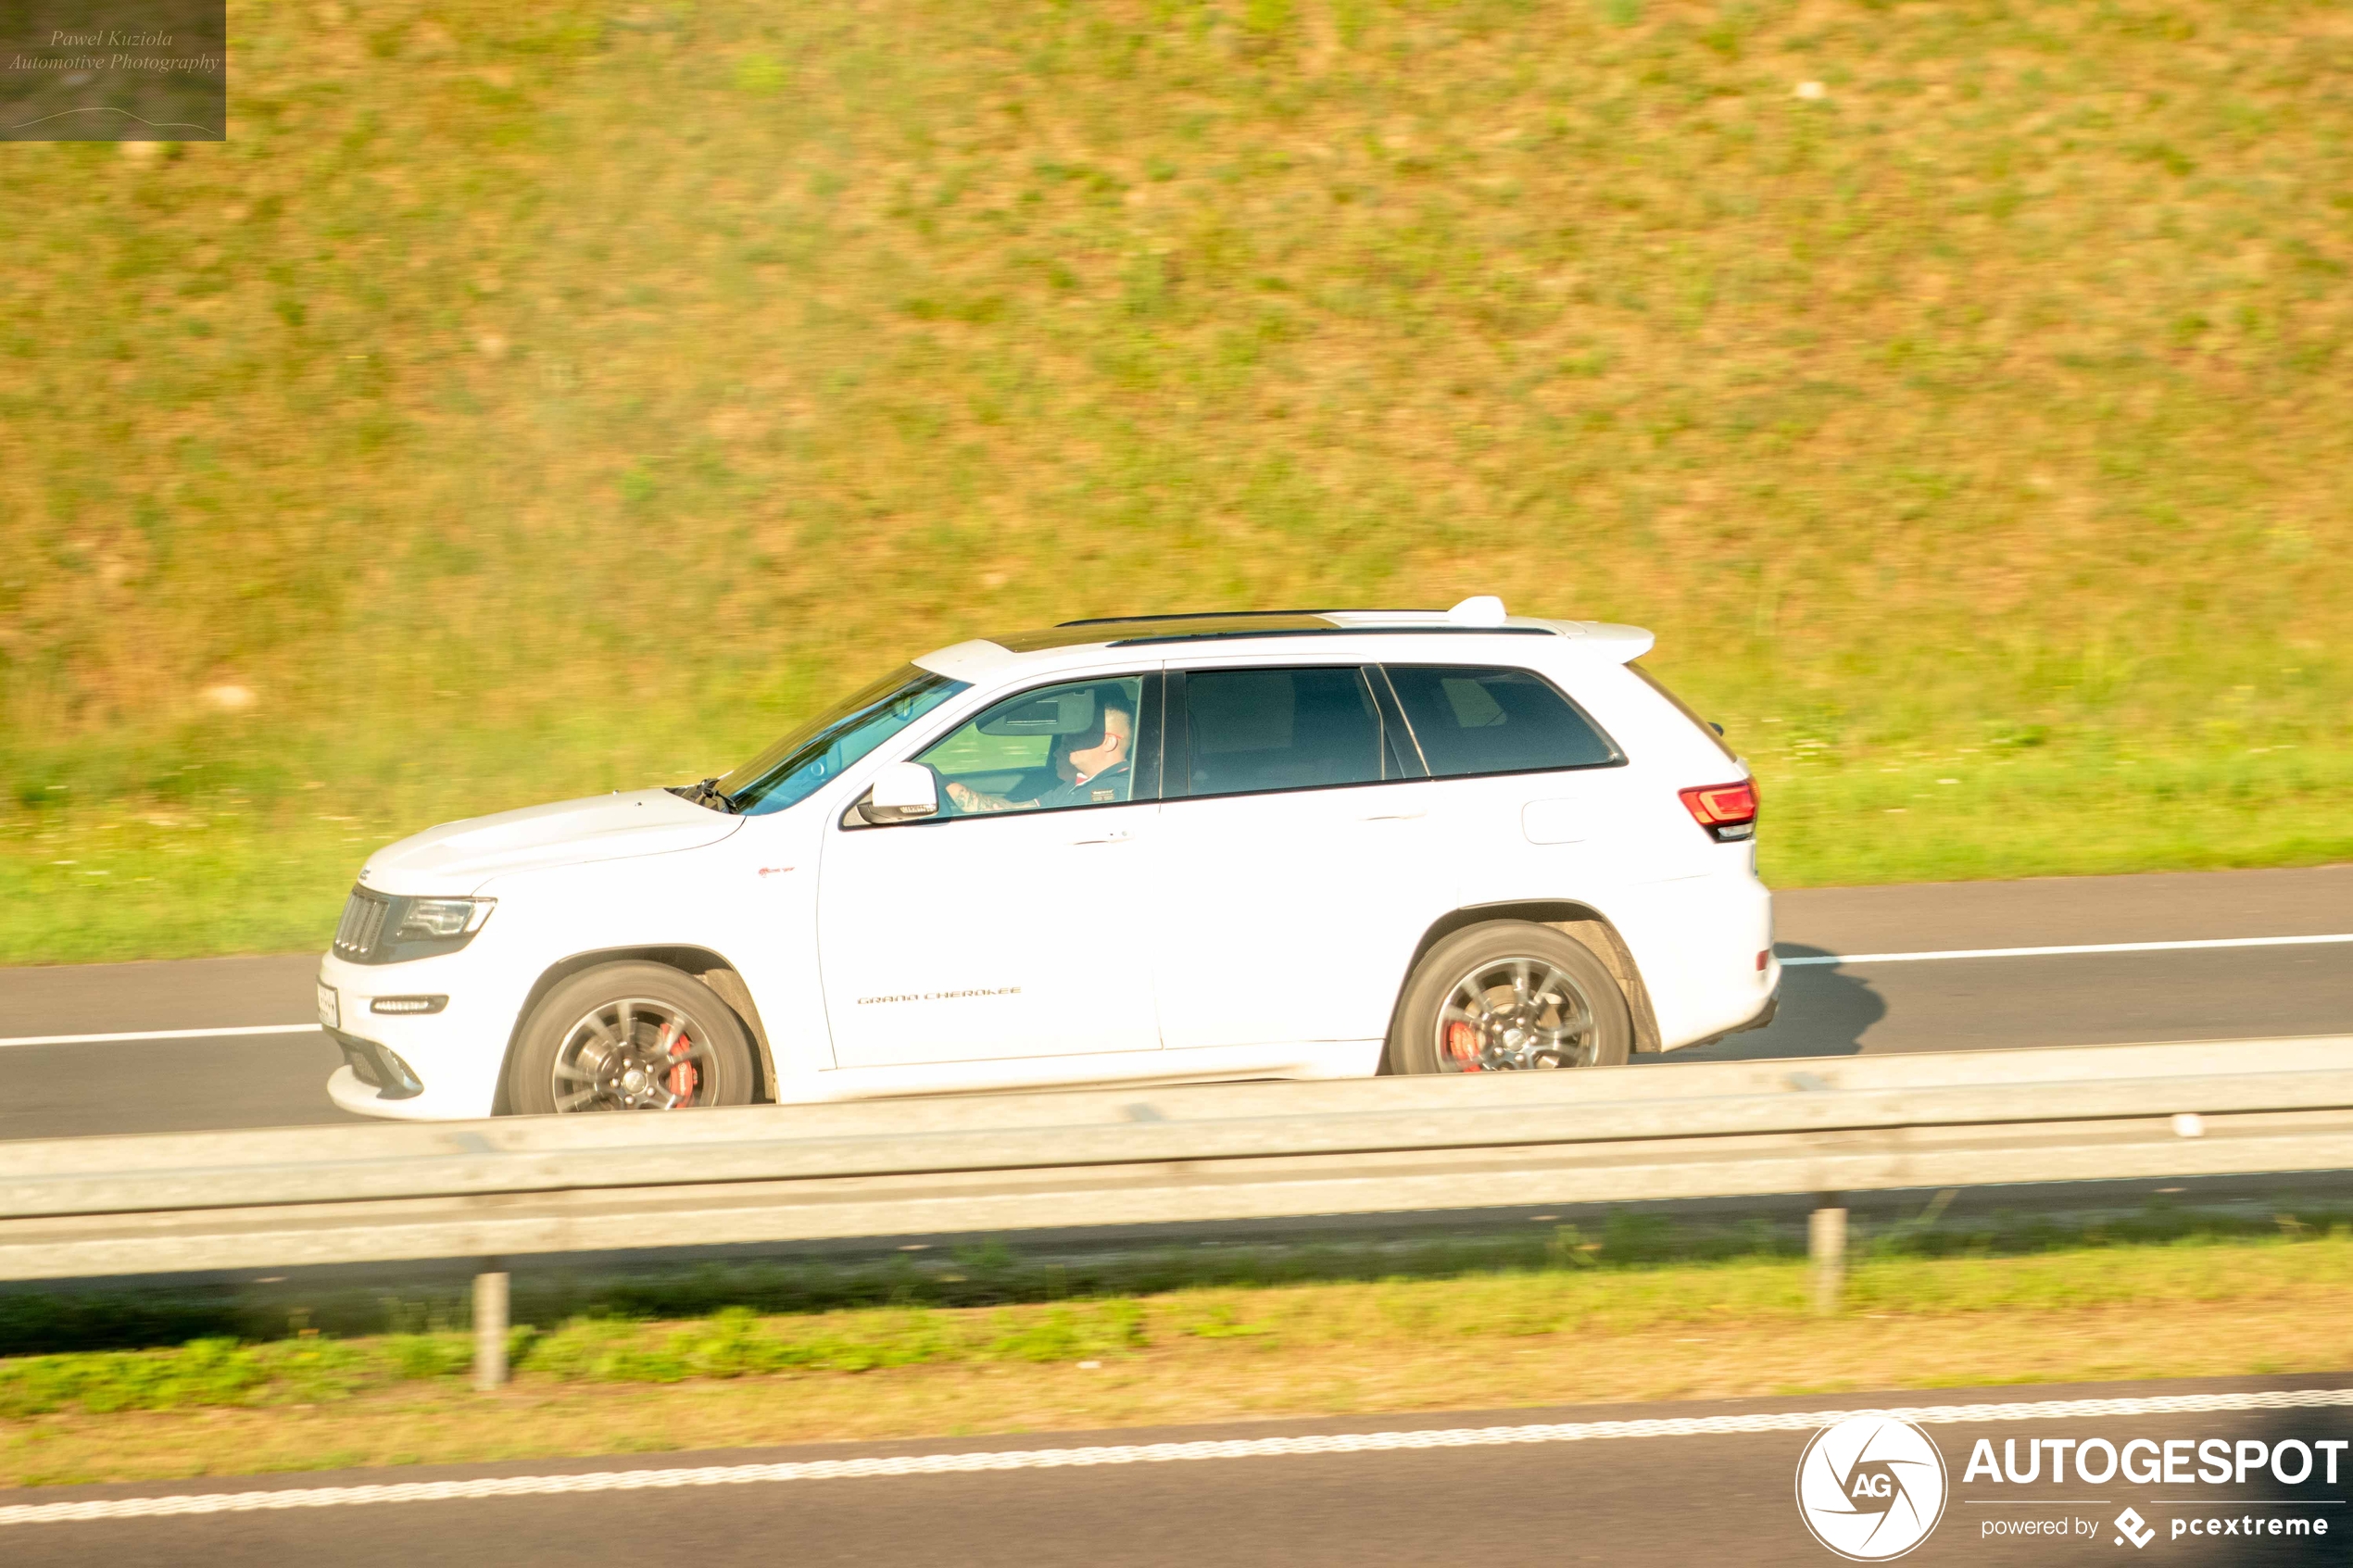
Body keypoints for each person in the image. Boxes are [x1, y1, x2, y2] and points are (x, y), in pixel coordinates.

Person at [945, 691, 1133, 814]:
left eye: (1080, 730)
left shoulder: (1111, 793)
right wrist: (944, 783)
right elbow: (1010, 810)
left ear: (1109, 741)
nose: (1067, 737)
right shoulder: (1078, 785)